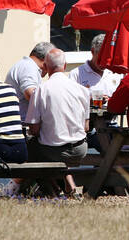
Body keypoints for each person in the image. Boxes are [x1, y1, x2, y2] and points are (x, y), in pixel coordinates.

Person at [26, 47, 92, 196]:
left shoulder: (41, 90)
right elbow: (86, 127)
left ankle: (53, 190)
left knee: (28, 150)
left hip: (52, 150)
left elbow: (34, 129)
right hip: (80, 149)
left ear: (46, 67)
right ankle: (69, 186)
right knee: (51, 148)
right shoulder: (82, 90)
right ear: (65, 65)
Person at [6, 41, 53, 122]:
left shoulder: (27, 65)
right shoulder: (29, 67)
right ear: (46, 60)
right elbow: (31, 95)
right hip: (21, 125)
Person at [73, 33, 124, 99]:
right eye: (101, 58)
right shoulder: (76, 74)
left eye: (107, 58)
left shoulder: (116, 73)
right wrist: (90, 100)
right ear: (93, 51)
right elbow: (71, 99)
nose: (104, 63)